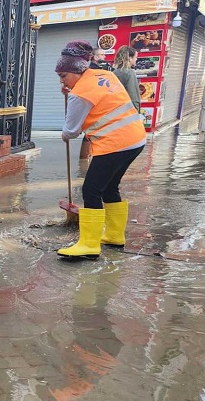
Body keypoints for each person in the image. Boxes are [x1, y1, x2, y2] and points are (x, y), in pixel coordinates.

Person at [55, 40, 146, 259]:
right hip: (136, 139)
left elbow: (72, 131)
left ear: (76, 71)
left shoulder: (80, 94)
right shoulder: (106, 75)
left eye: (63, 76)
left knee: (91, 190)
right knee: (109, 187)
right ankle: (114, 235)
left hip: (116, 143)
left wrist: (64, 134)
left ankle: (89, 245)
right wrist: (71, 90)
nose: (62, 81)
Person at [112, 46, 141, 112]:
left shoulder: (113, 72)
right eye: (135, 57)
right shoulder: (130, 73)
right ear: (130, 58)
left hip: (115, 110)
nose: (136, 59)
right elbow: (133, 96)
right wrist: (136, 112)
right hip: (127, 111)